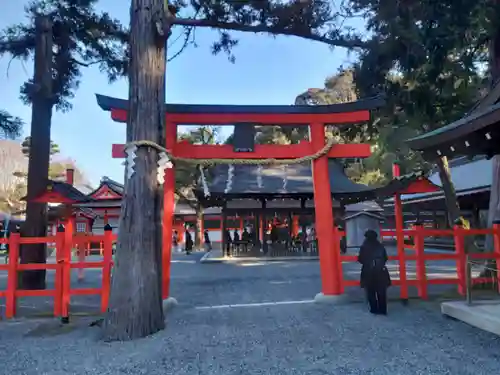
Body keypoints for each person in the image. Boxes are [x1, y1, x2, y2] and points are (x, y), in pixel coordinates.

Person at [357, 229, 391, 315]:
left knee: (370, 291)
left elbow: (360, 259)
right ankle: (383, 309)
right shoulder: (380, 246)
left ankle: (374, 308)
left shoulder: (364, 247)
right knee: (381, 291)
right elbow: (385, 258)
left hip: (368, 271)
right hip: (380, 270)